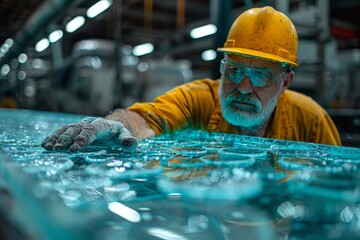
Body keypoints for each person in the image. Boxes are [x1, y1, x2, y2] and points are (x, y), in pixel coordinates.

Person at [41, 6, 341, 152]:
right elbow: (147, 118)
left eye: (260, 75)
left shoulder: (312, 122)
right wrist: (117, 124)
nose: (244, 87)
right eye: (235, 70)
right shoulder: (200, 98)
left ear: (286, 82)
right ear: (223, 67)